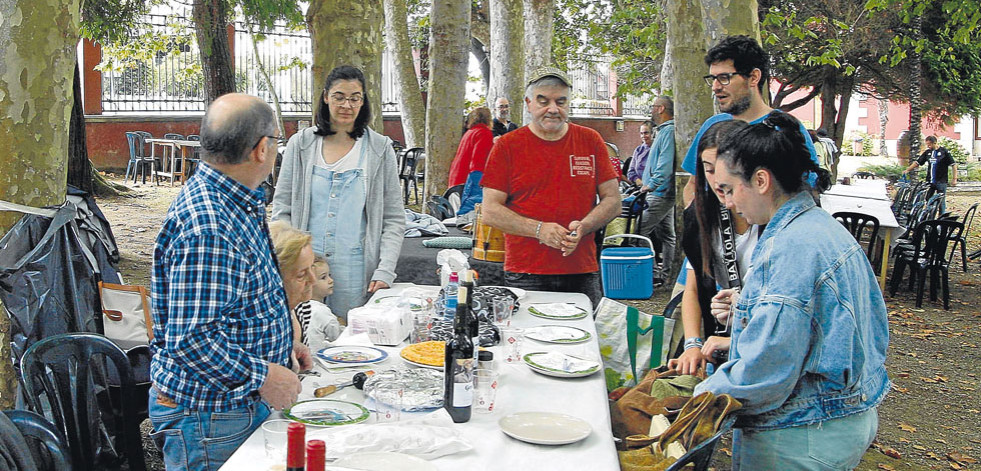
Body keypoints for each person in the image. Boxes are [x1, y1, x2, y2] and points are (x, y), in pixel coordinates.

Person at [695, 112, 889, 468]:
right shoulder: (818, 226)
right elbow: (823, 318)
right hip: (837, 420)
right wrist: (748, 305)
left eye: (728, 189)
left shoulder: (791, 248)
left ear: (761, 180)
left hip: (801, 432)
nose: (725, 202)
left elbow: (765, 373)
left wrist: (697, 399)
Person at [148, 93, 309, 470]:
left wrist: (282, 346)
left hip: (227, 407)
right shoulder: (212, 225)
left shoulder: (234, 198)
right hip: (209, 416)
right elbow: (191, 338)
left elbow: (239, 301)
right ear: (262, 149)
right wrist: (264, 374)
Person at [273, 65, 405, 321]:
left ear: (364, 101)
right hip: (305, 268)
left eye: (355, 98)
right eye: (339, 97)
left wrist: (384, 270)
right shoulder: (300, 145)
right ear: (325, 97)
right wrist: (289, 263)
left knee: (350, 340)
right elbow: (282, 210)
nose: (347, 105)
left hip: (356, 269)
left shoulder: (379, 149)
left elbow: (393, 218)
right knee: (304, 333)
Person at [481, 66, 621, 308]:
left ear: (569, 104)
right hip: (526, 272)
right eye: (543, 101)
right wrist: (538, 230)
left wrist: (585, 225)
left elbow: (613, 200)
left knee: (584, 340)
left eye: (561, 101)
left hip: (581, 269)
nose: (553, 109)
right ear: (528, 103)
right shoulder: (507, 146)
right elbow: (490, 210)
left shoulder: (590, 140)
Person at [681, 35, 819, 206]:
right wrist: (698, 225)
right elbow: (693, 185)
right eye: (713, 79)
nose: (716, 87)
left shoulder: (786, 128)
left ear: (754, 77)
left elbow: (805, 194)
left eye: (724, 77)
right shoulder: (712, 126)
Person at [669, 120, 759, 375]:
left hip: (759, 351)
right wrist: (692, 343)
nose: (717, 181)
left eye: (724, 169)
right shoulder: (701, 217)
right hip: (716, 347)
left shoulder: (773, 221)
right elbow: (693, 287)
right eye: (708, 170)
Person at [269, 220, 344, 354]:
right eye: (301, 274)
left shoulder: (302, 308)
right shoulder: (262, 320)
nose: (313, 280)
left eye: (311, 268)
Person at [637, 96, 677, 284]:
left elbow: (665, 163)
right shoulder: (662, 132)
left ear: (661, 109)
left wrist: (651, 184)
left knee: (640, 231)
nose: (651, 110)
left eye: (653, 107)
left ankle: (654, 274)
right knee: (668, 236)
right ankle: (666, 275)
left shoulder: (668, 132)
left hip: (659, 193)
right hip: (662, 192)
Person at [449, 107, 494, 221]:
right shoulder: (484, 133)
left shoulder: (469, 133)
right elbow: (478, 163)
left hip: (456, 179)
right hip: (467, 182)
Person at [903, 135, 957, 213]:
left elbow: (953, 165)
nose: (928, 146)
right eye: (927, 144)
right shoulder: (927, 152)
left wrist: (954, 179)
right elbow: (918, 162)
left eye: (929, 144)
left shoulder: (944, 152)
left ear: (935, 143)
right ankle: (929, 214)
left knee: (941, 201)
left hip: (941, 181)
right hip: (930, 181)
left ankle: (941, 218)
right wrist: (908, 170)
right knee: (928, 199)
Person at [626, 121, 654, 186]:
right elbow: (631, 171)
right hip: (640, 187)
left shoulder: (659, 149)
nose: (643, 136)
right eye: (641, 133)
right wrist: (637, 180)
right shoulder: (639, 150)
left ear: (653, 133)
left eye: (646, 133)